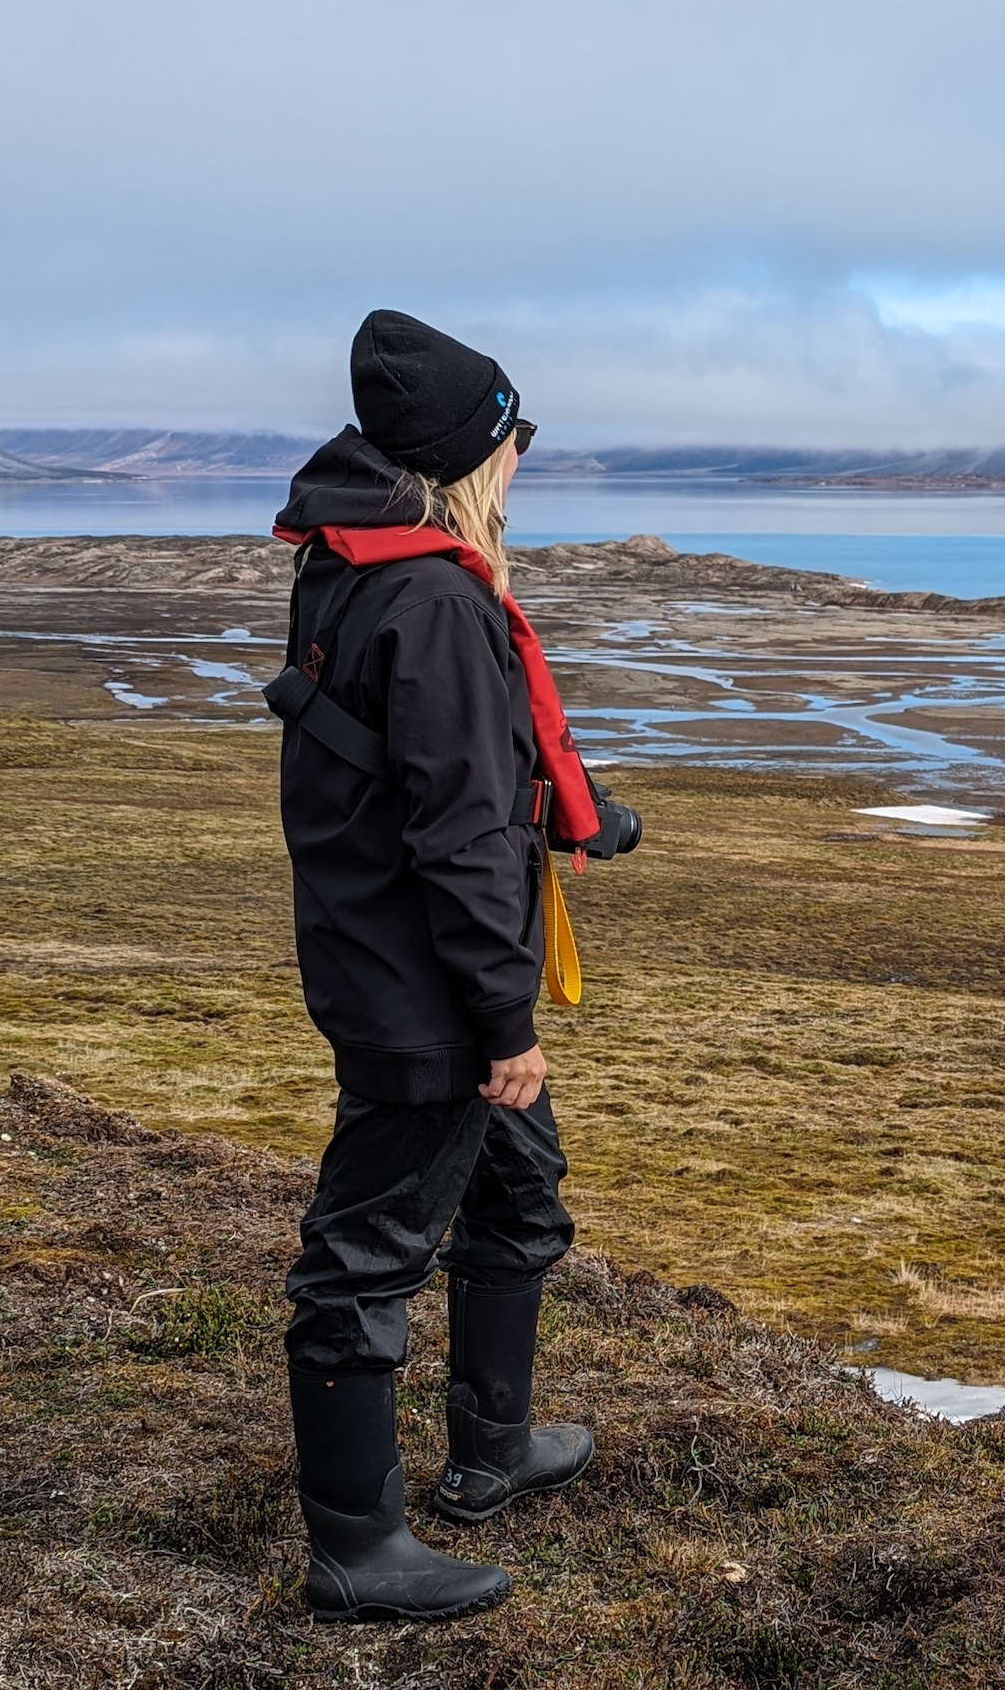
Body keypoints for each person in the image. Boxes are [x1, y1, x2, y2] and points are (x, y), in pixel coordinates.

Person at [266, 310, 636, 1623]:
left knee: (520, 1203)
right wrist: (505, 1020)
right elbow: (460, 835)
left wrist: (573, 814)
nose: (523, 460)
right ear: (466, 458)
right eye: (512, 441)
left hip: (387, 957)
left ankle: (491, 1453)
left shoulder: (355, 568)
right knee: (361, 1262)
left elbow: (416, 783)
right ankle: (356, 1551)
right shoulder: (432, 600)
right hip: (426, 994)